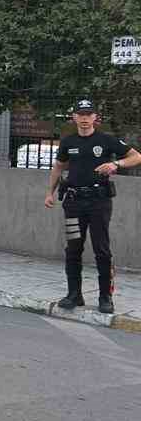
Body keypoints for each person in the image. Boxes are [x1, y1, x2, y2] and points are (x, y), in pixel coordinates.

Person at [45, 98, 141, 314]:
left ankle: (105, 297)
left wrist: (116, 164)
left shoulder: (106, 140)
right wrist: (49, 193)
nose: (85, 118)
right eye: (81, 114)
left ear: (95, 117)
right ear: (74, 117)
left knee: (102, 250)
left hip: (99, 203)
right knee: (73, 249)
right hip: (73, 204)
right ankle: (74, 294)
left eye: (89, 114)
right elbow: (58, 167)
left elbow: (136, 157)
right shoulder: (68, 142)